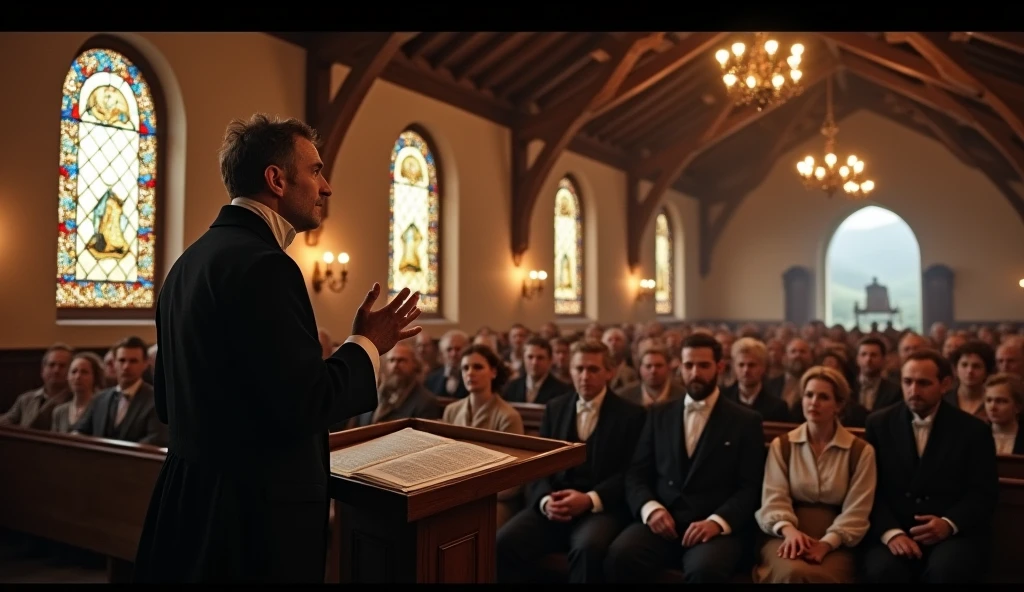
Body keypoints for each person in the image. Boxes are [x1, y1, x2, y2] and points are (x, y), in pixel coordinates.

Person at [133, 114, 422, 583]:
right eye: (315, 171)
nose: (326, 187)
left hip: (190, 499)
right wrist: (369, 343)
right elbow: (306, 402)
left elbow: (168, 401)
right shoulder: (266, 267)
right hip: (252, 519)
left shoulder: (188, 264)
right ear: (276, 179)